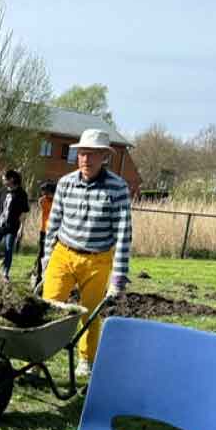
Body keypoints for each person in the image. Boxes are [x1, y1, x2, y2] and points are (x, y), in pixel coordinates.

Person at [41, 129, 132, 378]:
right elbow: (53, 224)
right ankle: (39, 358)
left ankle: (86, 359)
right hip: (64, 252)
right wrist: (46, 259)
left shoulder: (118, 188)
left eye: (92, 154)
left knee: (90, 314)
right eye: (82, 153)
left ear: (104, 156)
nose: (86, 160)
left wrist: (119, 277)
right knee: (47, 307)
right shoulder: (66, 183)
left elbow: (124, 234)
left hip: (98, 259)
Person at [0, 169, 30, 283]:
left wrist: (21, 229)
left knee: (8, 249)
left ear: (12, 179)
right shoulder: (2, 191)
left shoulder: (21, 194)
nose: (3, 180)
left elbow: (24, 213)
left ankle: (5, 274)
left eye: (5, 179)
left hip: (12, 226)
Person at [33, 180, 56, 286]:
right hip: (44, 230)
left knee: (53, 255)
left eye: (45, 192)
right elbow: (40, 204)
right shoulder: (43, 200)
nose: (43, 194)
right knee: (41, 254)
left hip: (55, 231)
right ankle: (39, 276)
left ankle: (51, 277)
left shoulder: (57, 201)